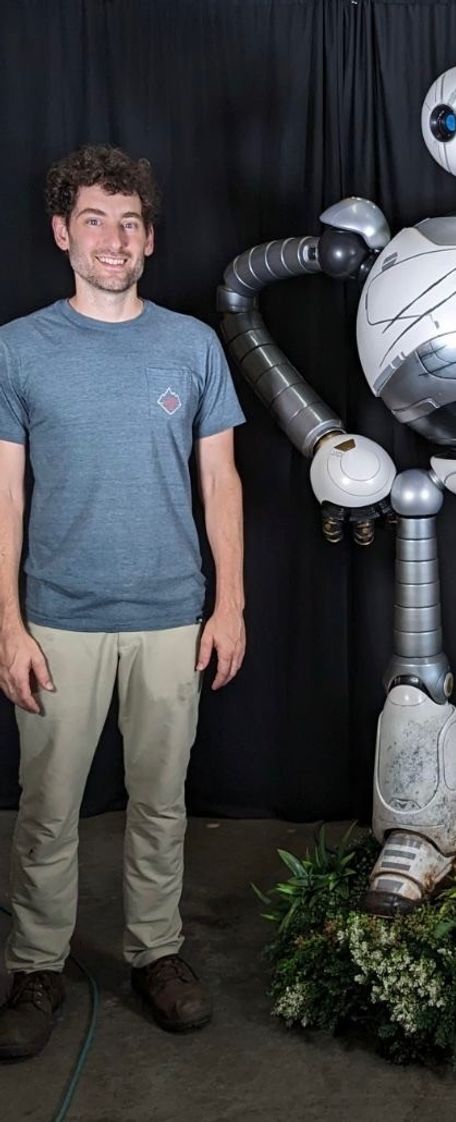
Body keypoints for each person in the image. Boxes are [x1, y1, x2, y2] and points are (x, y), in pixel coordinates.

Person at [0, 145, 245, 1059]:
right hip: (57, 620)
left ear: (149, 238)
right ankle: (35, 967)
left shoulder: (191, 344)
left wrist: (231, 608)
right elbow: (5, 496)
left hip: (170, 616)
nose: (115, 238)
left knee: (160, 803)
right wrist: (5, 624)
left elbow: (221, 484)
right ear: (63, 233)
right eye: (95, 220)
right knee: (48, 810)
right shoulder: (19, 348)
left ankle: (157, 953)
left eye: (130, 222)